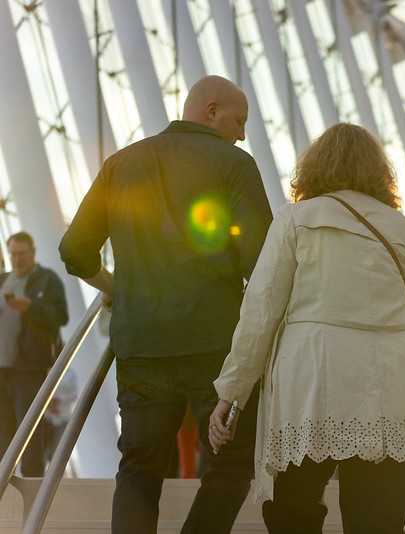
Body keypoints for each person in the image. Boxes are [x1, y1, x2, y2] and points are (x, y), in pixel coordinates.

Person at [208, 123, 405, 533]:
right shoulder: (403, 229)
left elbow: (261, 312)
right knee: (378, 523)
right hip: (395, 389)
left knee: (293, 512)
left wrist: (232, 394)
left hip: (313, 386)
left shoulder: (296, 220)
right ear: (379, 172)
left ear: (314, 169)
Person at [59, 75, 272, 534]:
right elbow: (264, 267)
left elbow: (75, 251)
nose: (241, 132)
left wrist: (112, 285)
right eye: (239, 120)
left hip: (140, 347)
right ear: (212, 110)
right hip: (216, 348)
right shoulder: (235, 164)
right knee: (232, 462)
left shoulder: (121, 164)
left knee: (139, 469)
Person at [0, 231, 69, 477]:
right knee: (2, 432)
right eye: (12, 254)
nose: (16, 259)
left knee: (28, 432)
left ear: (33, 253)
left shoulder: (47, 280)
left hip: (28, 369)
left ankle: (33, 490)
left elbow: (60, 316)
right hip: (1, 370)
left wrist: (31, 307)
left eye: (21, 254)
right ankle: (4, 495)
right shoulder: (2, 280)